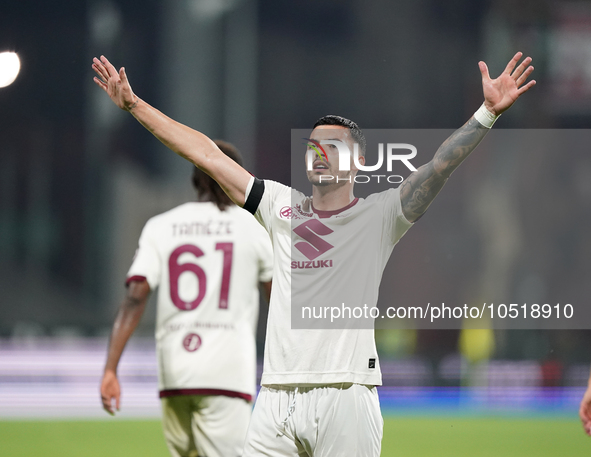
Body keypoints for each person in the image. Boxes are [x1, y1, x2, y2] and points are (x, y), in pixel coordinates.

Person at [93, 52, 535, 456]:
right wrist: (134, 106)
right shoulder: (278, 207)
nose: (320, 154)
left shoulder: (380, 215)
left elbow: (439, 166)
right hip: (275, 402)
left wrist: (487, 114)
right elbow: (206, 153)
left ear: (358, 162)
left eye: (334, 147)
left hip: (346, 395)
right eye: (313, 146)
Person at [100, 140, 274, 457]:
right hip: (228, 372)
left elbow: (135, 297)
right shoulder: (255, 227)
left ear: (195, 180)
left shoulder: (161, 225)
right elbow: (277, 302)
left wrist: (111, 369)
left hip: (174, 370)